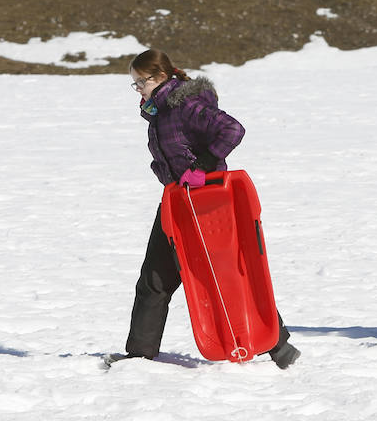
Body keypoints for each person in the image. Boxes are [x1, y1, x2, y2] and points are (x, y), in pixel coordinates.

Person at [117, 49, 300, 368]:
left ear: (160, 77)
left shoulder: (186, 105)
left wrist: (202, 165)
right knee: (155, 277)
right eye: (134, 85)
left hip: (206, 205)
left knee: (227, 275)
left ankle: (279, 345)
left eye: (140, 83)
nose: (138, 90)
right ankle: (138, 355)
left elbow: (232, 129)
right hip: (177, 202)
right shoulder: (161, 110)